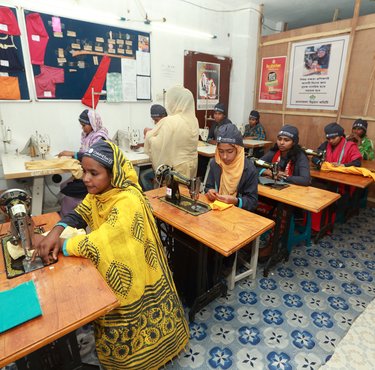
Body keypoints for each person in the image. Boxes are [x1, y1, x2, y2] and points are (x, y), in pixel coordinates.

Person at [32, 140, 189, 369]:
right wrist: (56, 230)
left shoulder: (127, 200)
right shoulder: (101, 192)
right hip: (121, 259)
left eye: (94, 173)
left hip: (138, 268)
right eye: (84, 171)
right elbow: (81, 212)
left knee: (130, 310)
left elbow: (102, 241)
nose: (86, 178)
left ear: (113, 173)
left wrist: (63, 244)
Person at [256, 125, 310, 258]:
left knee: (280, 213)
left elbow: (305, 179)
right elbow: (256, 164)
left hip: (291, 199)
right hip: (275, 194)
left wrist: (284, 177)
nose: (281, 142)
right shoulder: (274, 152)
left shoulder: (300, 156)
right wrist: (266, 171)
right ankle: (257, 239)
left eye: (286, 140)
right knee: (256, 204)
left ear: (294, 142)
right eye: (280, 139)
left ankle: (272, 246)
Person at [58, 109, 110, 215]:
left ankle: (72, 217)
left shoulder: (100, 138)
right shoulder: (88, 136)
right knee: (64, 185)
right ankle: (70, 215)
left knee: (66, 192)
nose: (82, 128)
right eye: (81, 125)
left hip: (95, 178)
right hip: (89, 173)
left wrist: (72, 154)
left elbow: (91, 156)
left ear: (93, 123)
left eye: (84, 125)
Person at [144, 85, 199, 178]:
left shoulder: (171, 121)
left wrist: (149, 136)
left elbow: (159, 145)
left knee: (176, 191)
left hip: (177, 167)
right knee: (187, 190)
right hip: (192, 164)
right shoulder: (194, 120)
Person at [205, 124, 258, 211]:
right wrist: (210, 191)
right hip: (217, 210)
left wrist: (236, 201)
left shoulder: (249, 169)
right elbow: (208, 187)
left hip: (238, 214)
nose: (225, 156)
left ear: (238, 149)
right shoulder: (216, 163)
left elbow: (252, 202)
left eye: (230, 151)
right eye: (221, 151)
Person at [139, 104, 168, 191]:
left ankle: (152, 197)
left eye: (156, 120)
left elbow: (157, 144)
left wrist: (148, 134)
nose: (155, 123)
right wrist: (139, 145)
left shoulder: (166, 128)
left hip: (166, 167)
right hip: (161, 165)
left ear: (163, 117)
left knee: (143, 175)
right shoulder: (161, 127)